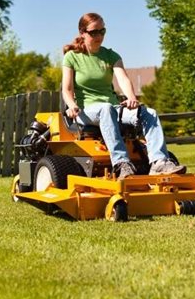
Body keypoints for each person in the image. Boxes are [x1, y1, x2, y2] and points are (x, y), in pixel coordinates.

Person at [62, 12, 186, 180]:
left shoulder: (111, 56)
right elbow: (67, 89)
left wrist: (131, 98)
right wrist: (71, 105)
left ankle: (159, 162)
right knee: (106, 108)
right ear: (82, 32)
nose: (99, 36)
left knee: (149, 113)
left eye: (102, 31)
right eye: (94, 32)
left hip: (113, 109)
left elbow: (123, 79)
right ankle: (121, 165)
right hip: (86, 112)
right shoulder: (72, 57)